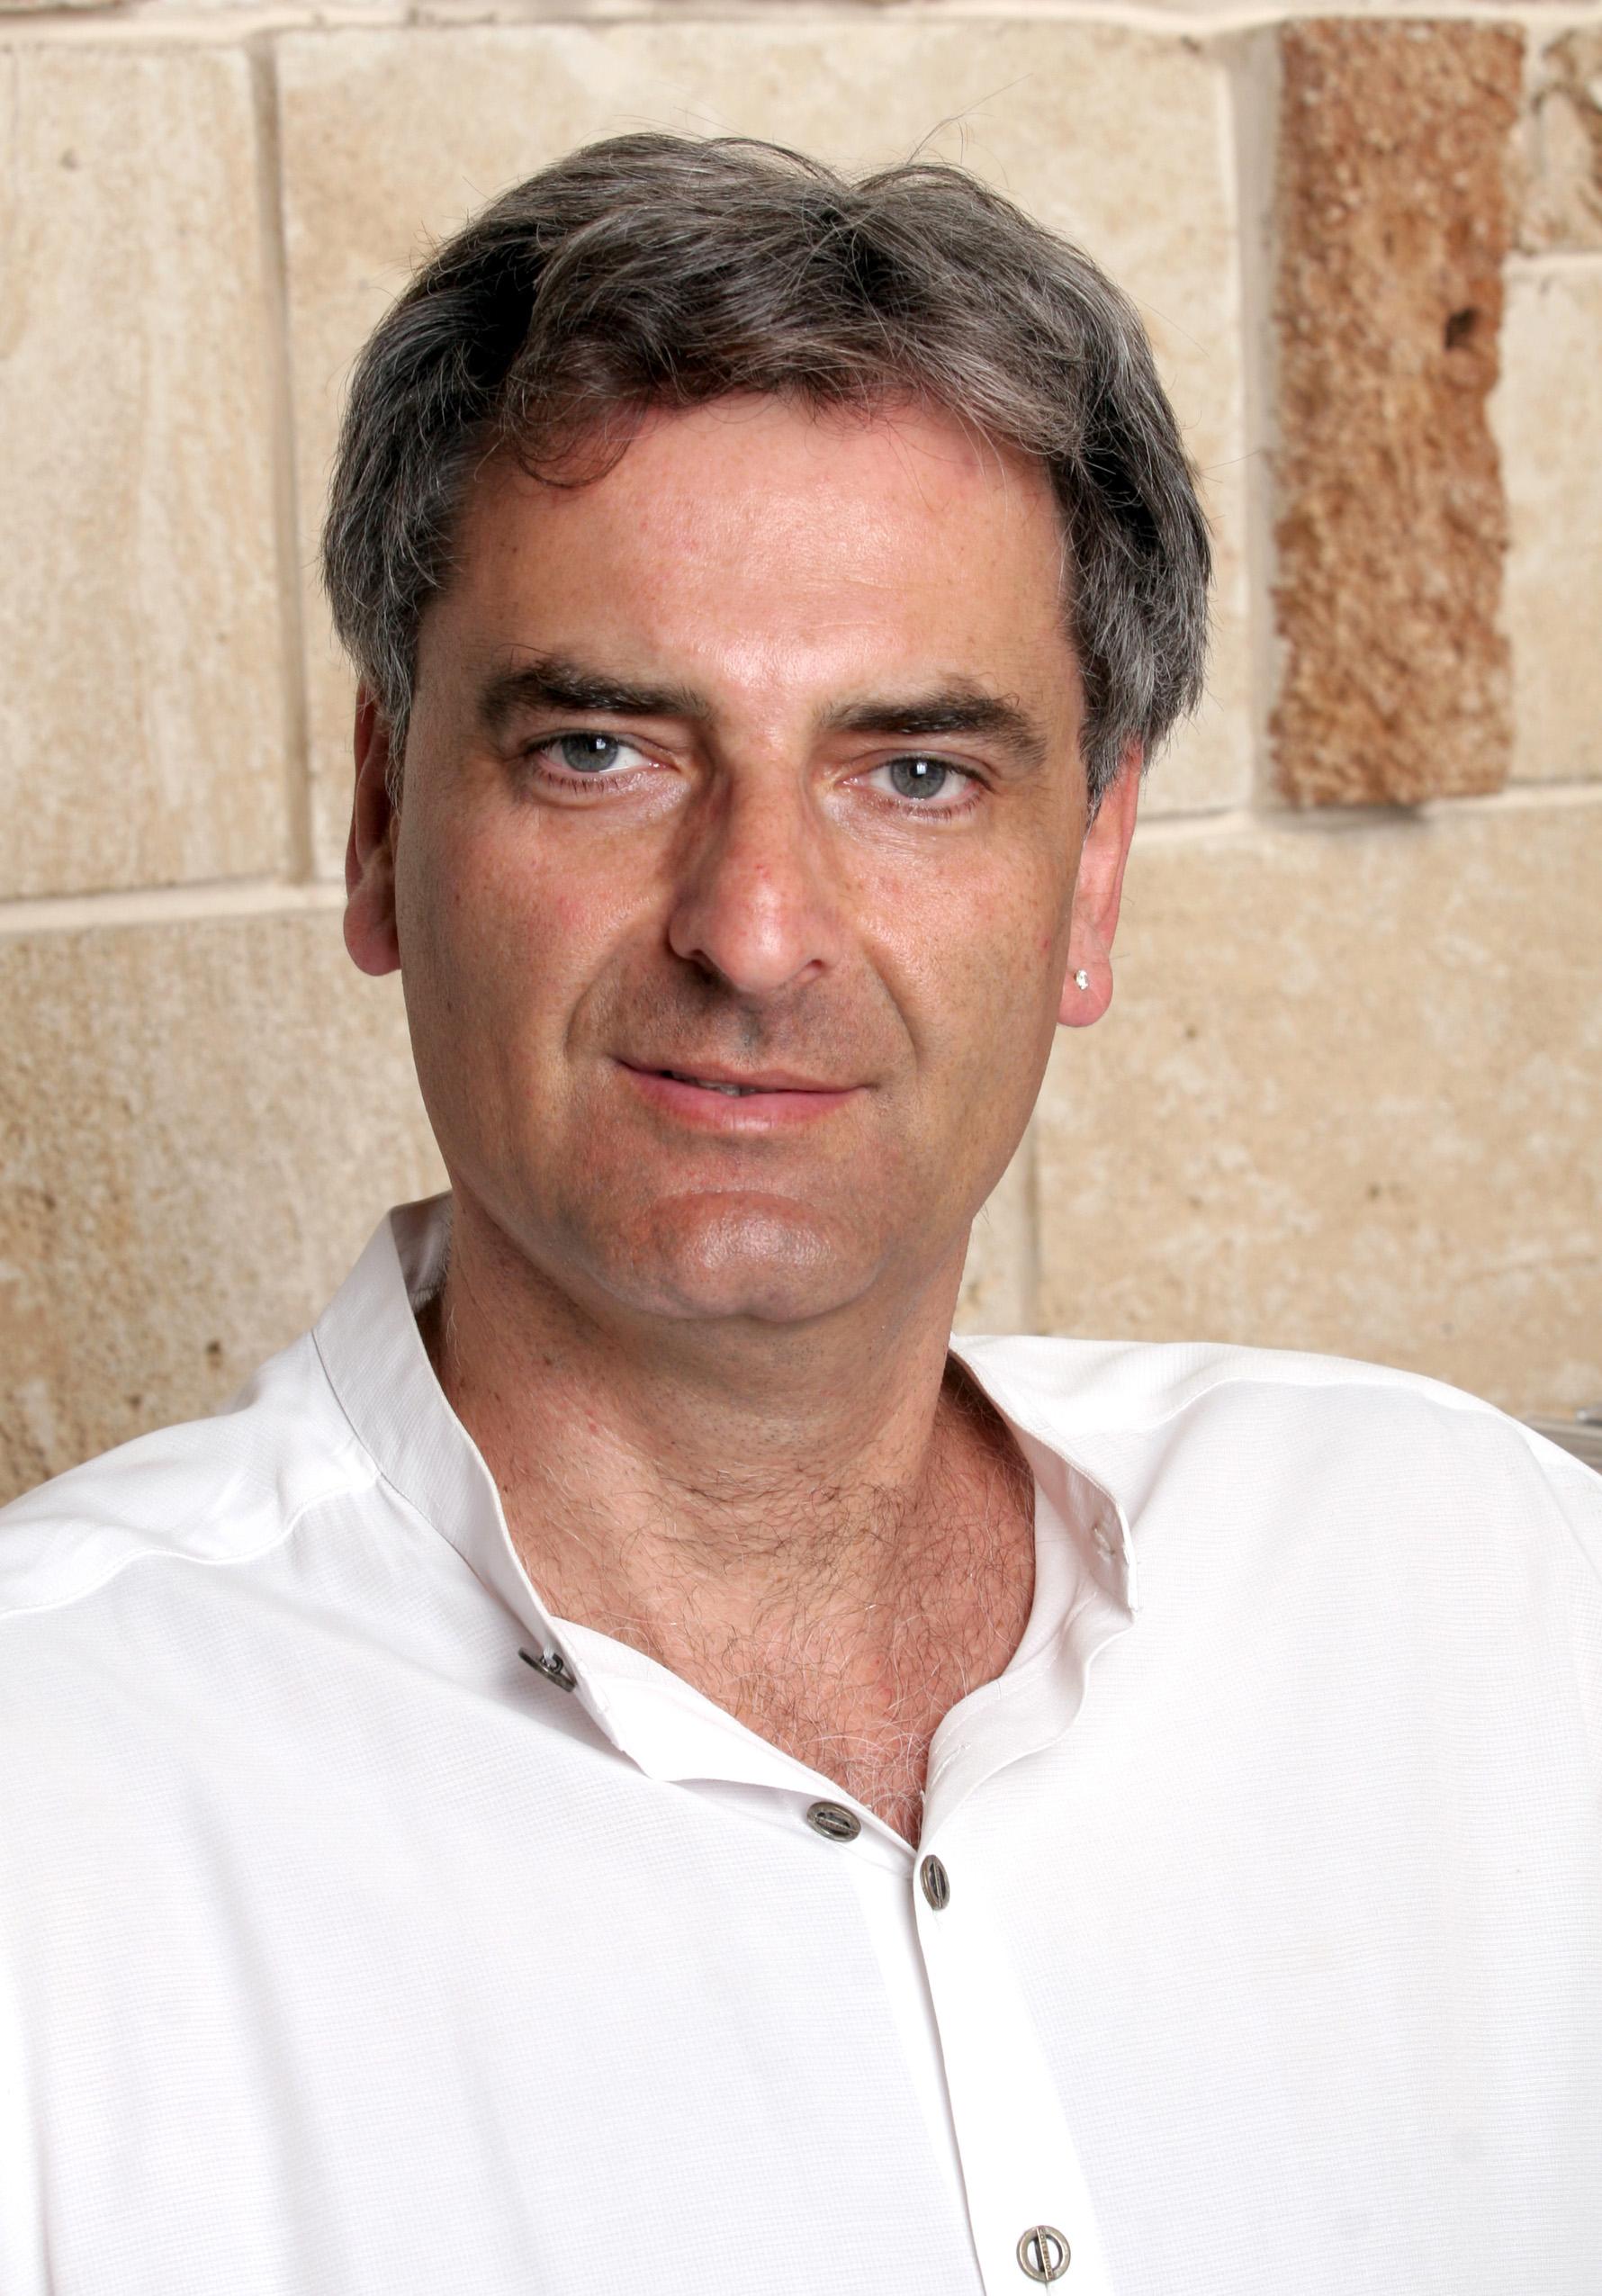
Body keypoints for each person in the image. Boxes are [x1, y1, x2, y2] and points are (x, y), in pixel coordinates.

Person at [1, 133, 1597, 2296]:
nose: (753, 930)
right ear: (379, 819)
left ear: (1090, 875)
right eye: (602, 749)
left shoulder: (1490, 1593)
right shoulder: (50, 1805)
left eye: (913, 772)